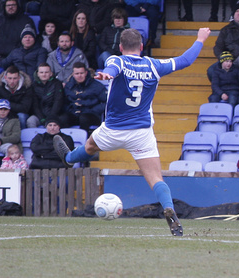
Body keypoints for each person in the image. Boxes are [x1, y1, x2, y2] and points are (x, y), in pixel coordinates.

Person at [53, 28, 212, 237]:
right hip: (141, 132)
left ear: (120, 47)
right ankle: (169, 208)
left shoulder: (117, 61)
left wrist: (106, 74)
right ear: (142, 47)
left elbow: (112, 68)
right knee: (155, 178)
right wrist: (200, 38)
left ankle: (69, 157)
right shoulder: (153, 65)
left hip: (113, 130)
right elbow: (185, 60)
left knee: (89, 146)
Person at [60, 62, 106, 134]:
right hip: (74, 113)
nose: (79, 76)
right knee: (63, 118)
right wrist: (69, 109)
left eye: (81, 73)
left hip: (91, 115)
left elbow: (105, 102)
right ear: (73, 74)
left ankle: (86, 143)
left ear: (86, 73)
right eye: (77, 74)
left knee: (84, 118)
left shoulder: (96, 85)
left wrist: (93, 110)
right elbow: (64, 102)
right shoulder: (69, 86)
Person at [27, 63, 64, 128]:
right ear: (38, 74)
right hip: (39, 116)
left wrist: (50, 118)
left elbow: (58, 102)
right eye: (41, 72)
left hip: (54, 115)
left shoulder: (57, 84)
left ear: (51, 73)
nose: (44, 74)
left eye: (46, 72)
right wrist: (42, 119)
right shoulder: (33, 86)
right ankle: (35, 138)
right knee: (30, 121)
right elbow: (35, 105)